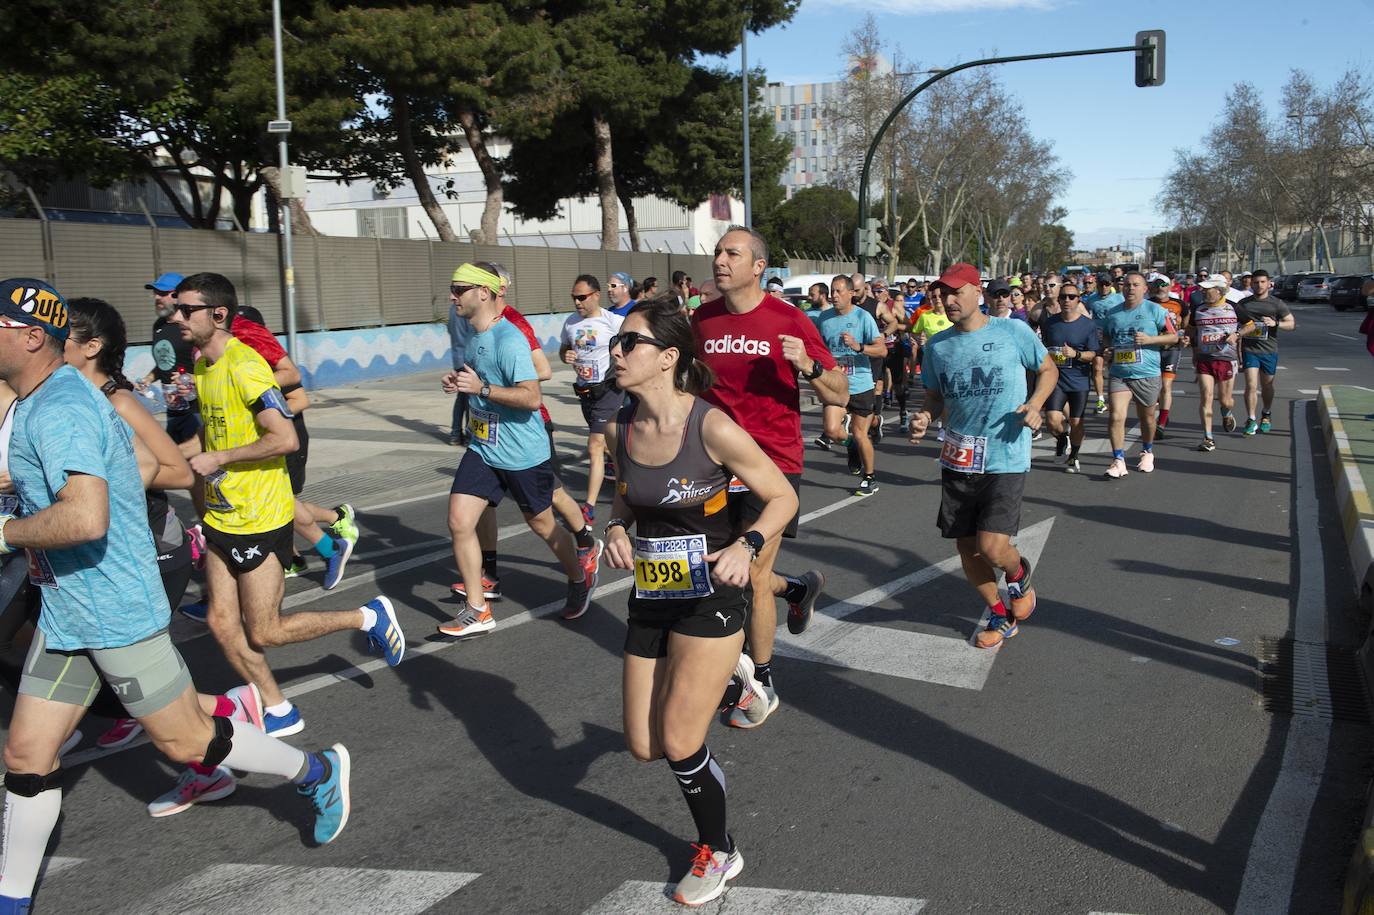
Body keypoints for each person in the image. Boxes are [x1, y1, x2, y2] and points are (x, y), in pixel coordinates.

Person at [0, 279, 354, 914]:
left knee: (187, 743)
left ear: (30, 337)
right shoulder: (32, 401)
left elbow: (85, 520)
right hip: (65, 608)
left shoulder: (62, 408)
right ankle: (11, 901)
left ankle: (316, 772)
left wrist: (5, 528)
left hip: (115, 609)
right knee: (26, 756)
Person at [604, 295, 797, 907]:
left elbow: (782, 495)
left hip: (712, 594)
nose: (616, 351)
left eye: (628, 342)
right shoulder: (622, 427)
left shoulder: (709, 425)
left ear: (666, 358)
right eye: (617, 342)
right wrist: (613, 528)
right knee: (644, 744)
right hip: (653, 592)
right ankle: (734, 679)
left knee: (683, 742)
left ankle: (719, 848)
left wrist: (749, 543)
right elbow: (628, 497)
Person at [169, 272, 405, 737]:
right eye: (176, 308)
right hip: (221, 513)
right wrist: (170, 457)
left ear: (218, 315)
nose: (176, 317)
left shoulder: (247, 366)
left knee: (264, 631)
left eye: (186, 309)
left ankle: (368, 616)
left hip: (260, 516)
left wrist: (221, 457)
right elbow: (214, 431)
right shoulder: (202, 366)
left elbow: (284, 436)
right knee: (219, 620)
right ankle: (278, 707)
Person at [693, 226, 844, 725]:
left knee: (751, 573)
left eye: (731, 253)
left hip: (773, 465)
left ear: (758, 266)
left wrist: (808, 367)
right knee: (718, 568)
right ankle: (797, 591)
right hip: (715, 464)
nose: (719, 259)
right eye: (717, 251)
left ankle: (762, 679)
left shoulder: (790, 319)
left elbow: (839, 393)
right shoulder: (704, 318)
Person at [439, 263, 594, 635]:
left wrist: (483, 390)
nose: (452, 296)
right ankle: (477, 610)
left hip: (523, 453)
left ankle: (578, 577)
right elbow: (481, 379)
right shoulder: (476, 336)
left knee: (541, 524)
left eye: (459, 289)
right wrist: (461, 382)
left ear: (484, 292)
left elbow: (531, 396)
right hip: (484, 448)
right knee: (459, 521)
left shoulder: (508, 339)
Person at [906, 264, 1055, 649]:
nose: (948, 300)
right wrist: (925, 415)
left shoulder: (1013, 332)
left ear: (978, 291)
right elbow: (935, 395)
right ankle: (999, 613)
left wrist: (1036, 404)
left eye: (956, 292)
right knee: (966, 547)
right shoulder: (938, 345)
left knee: (992, 547)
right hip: (959, 455)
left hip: (1006, 452)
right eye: (943, 293)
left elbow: (1047, 369)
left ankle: (1018, 574)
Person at [230, 305, 359, 589]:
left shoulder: (267, 362)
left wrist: (264, 415)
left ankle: (334, 533)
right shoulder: (235, 361)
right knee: (277, 503)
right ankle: (297, 557)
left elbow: (301, 399)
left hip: (289, 438)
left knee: (283, 503)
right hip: (262, 440)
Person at [1098, 273, 1176, 478]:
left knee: (1147, 418)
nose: (1130, 288)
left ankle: (1147, 451)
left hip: (1147, 373)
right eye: (1126, 285)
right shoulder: (1113, 313)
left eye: (1135, 285)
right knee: (1116, 415)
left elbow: (1173, 336)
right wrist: (1107, 350)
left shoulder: (1155, 310)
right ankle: (1118, 460)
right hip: (1119, 372)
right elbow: (1106, 336)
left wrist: (1150, 339)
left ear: (1144, 289)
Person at [560, 275, 624, 521]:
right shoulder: (570, 323)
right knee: (608, 445)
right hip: (585, 392)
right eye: (574, 298)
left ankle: (589, 506)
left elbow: (634, 343)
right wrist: (566, 355)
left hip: (608, 390)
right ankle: (631, 478)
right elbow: (564, 349)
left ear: (596, 295)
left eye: (582, 297)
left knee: (594, 446)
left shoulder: (613, 321)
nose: (577, 302)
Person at [814, 275, 885, 495]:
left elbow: (881, 350)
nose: (834, 296)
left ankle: (869, 477)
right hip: (836, 385)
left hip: (861, 383)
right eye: (832, 292)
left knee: (859, 432)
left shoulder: (863, 317)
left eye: (838, 291)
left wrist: (858, 347)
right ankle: (851, 446)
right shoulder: (824, 318)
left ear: (851, 293)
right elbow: (819, 348)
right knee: (832, 430)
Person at [1039, 282, 1099, 473]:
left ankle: (1074, 456)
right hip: (1056, 379)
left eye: (1071, 297)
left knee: (1076, 422)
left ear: (1078, 300)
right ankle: (1062, 438)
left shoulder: (1087, 324)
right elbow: (1045, 348)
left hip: (1079, 381)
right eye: (1063, 296)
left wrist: (1077, 355)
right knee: (1052, 420)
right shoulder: (1051, 323)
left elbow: (1093, 354)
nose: (1066, 300)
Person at [136, 272, 200, 447]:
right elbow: (165, 362)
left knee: (200, 463)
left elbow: (211, 362)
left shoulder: (191, 326)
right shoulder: (159, 326)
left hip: (196, 409)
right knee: (180, 462)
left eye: (163, 293)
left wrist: (192, 378)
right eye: (156, 293)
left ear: (178, 296)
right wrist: (149, 378)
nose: (157, 297)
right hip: (172, 409)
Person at [1187, 275, 1246, 452]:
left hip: (1226, 359)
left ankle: (1226, 412)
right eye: (1203, 289)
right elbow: (1191, 330)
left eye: (1208, 289)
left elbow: (1251, 325)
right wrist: (1187, 341)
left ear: (1219, 290)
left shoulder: (1233, 307)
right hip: (1205, 359)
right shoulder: (1198, 309)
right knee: (1206, 397)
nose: (1203, 292)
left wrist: (1237, 334)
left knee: (1226, 400)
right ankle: (1208, 437)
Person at [1237, 270, 1294, 434]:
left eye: (1262, 282)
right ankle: (1251, 419)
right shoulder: (1244, 303)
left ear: (1269, 283)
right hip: (1249, 350)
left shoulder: (1276, 304)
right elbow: (1235, 323)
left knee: (1267, 386)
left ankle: (1266, 413)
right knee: (1251, 385)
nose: (1259, 285)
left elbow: (1291, 324)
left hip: (1269, 350)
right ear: (1251, 284)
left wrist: (1275, 323)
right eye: (1256, 282)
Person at [1149, 276, 1185, 439]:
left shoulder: (1179, 304)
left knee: (1166, 386)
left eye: (1163, 285)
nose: (1160, 288)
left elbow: (1186, 326)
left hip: (1172, 349)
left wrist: (1185, 337)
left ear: (1170, 286)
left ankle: (1162, 423)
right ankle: (1161, 410)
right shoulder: (1147, 304)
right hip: (1152, 349)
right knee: (1154, 387)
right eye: (1156, 285)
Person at [1084, 272, 1124, 414]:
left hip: (1114, 337)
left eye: (1107, 284)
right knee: (1097, 367)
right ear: (1097, 285)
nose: (1104, 287)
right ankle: (1101, 399)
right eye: (1101, 284)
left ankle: (1115, 395)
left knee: (1114, 368)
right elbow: (1086, 317)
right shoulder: (1091, 300)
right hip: (1097, 338)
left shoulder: (1119, 298)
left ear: (1111, 285)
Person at [448, 285, 474, 446]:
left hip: (458, 357)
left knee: (462, 397)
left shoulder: (452, 311)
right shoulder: (462, 311)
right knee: (469, 398)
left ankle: (456, 434)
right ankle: (468, 435)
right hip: (466, 358)